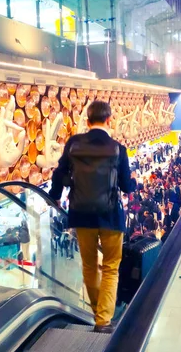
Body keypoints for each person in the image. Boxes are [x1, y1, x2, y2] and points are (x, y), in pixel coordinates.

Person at [49, 100, 136, 333]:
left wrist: (55, 196)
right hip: (111, 217)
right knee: (110, 268)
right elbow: (127, 187)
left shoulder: (74, 143)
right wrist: (133, 182)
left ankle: (100, 314)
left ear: (87, 122)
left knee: (89, 266)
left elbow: (59, 173)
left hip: (81, 214)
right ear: (109, 121)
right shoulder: (119, 149)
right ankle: (103, 319)